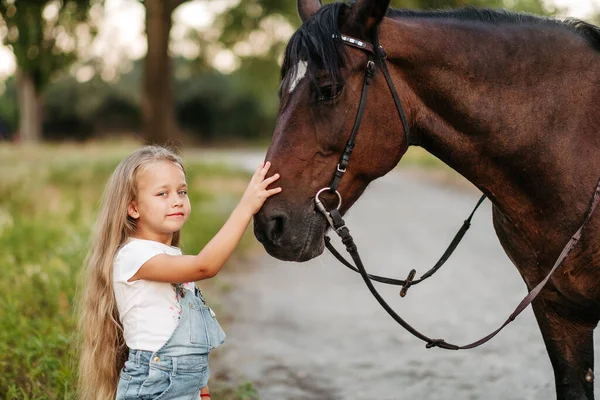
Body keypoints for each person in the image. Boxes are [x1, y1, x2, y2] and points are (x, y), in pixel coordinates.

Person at [78, 145, 281, 399]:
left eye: (182, 191)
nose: (176, 200)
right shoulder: (133, 256)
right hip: (154, 384)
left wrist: (202, 392)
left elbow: (190, 339)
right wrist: (245, 208)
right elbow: (205, 266)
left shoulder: (171, 256)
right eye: (162, 193)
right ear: (133, 208)